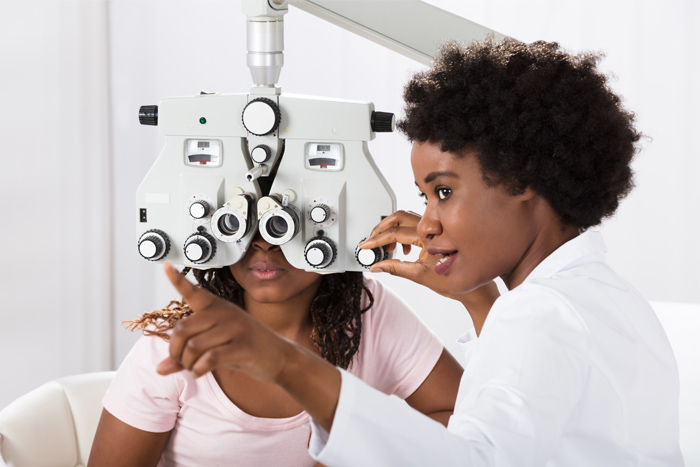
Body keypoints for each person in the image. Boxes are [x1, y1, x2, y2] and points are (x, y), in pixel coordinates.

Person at [153, 38, 684, 466]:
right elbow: (514, 415)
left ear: (523, 180)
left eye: (444, 192)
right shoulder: (602, 296)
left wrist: (288, 365)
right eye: (423, 197)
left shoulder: (541, 313)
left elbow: (473, 459)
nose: (425, 225)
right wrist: (477, 300)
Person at [87, 232, 466, 467]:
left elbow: (466, 421)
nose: (265, 243)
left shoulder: (371, 312)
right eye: (245, 221)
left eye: (285, 223)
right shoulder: (173, 343)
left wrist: (360, 446)